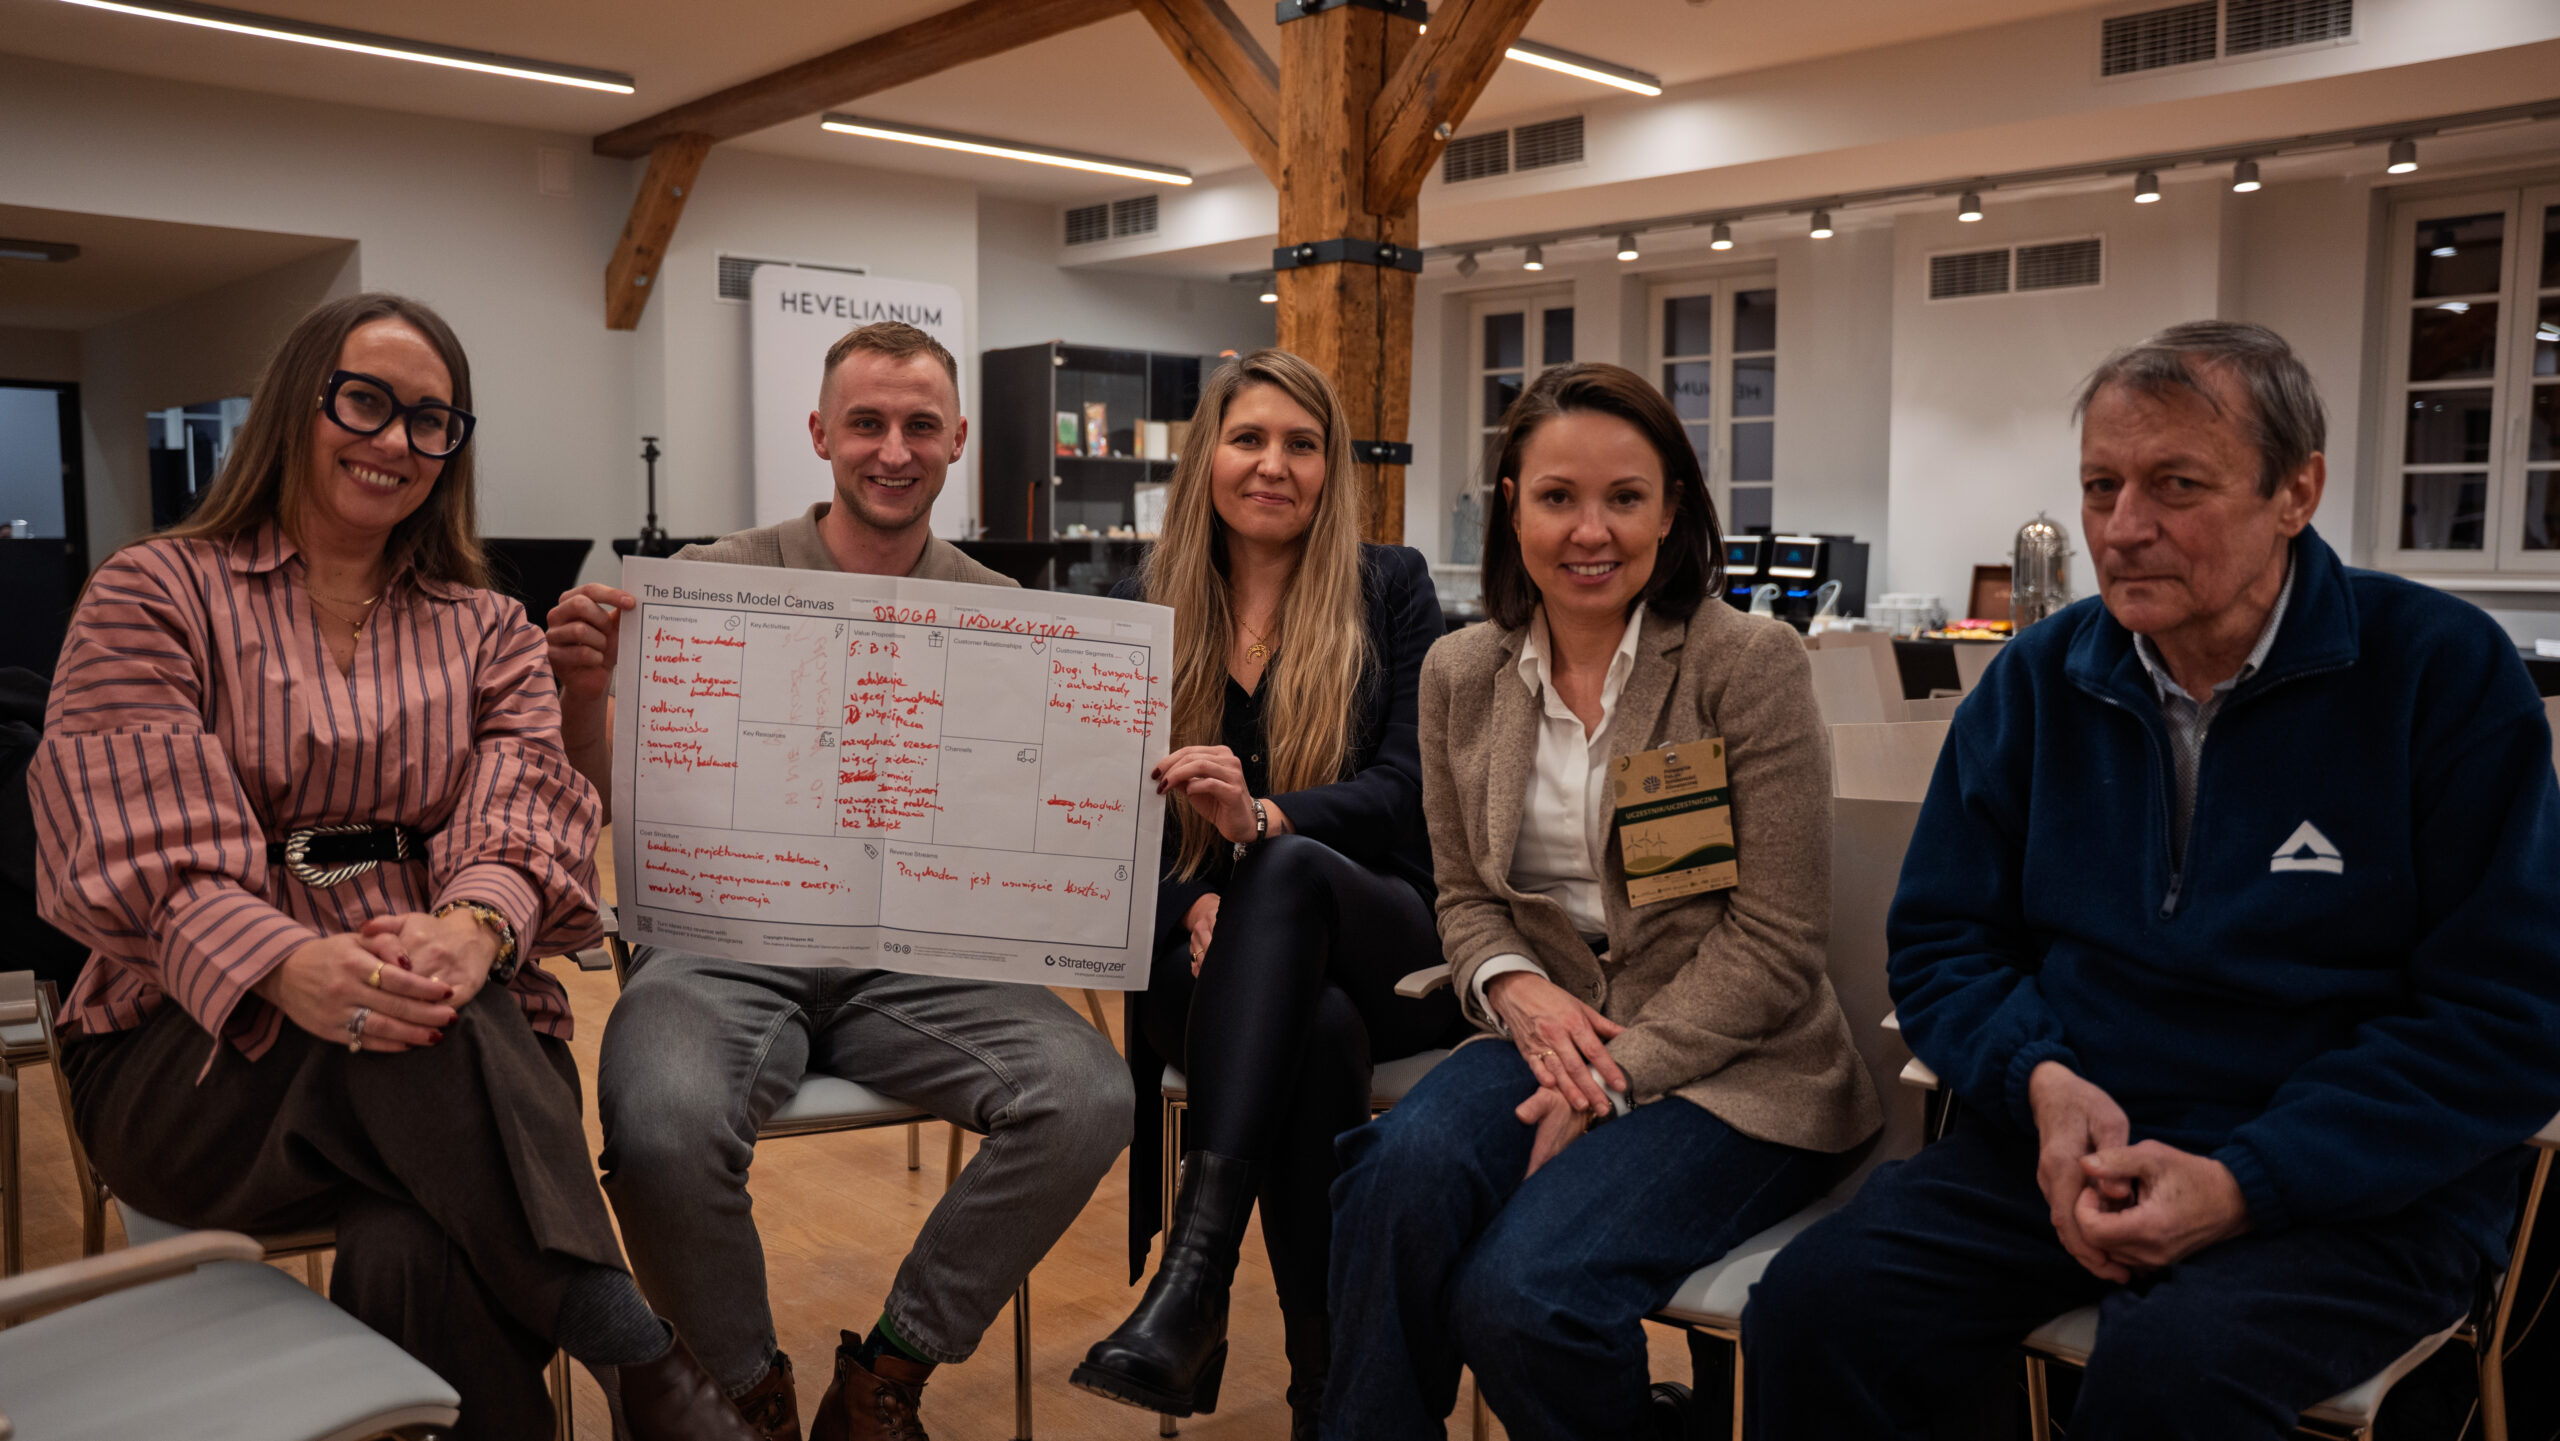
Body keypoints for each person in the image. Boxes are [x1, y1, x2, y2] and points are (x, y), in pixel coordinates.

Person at [1743, 321, 2560, 1439]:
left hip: (2355, 1177)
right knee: (1819, 1309)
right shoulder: (2038, 681)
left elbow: (2505, 1015)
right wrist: (2039, 1077)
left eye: (2177, 484)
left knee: (2171, 1381)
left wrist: (2248, 1179)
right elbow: (1941, 942)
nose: (2123, 528)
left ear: (2296, 491)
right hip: (2073, 1142)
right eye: (2100, 486)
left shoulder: (2439, 674)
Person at [31, 293, 753, 1441]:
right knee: (424, 1026)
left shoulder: (490, 628)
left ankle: (647, 1383)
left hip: (456, 1047)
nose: (395, 440)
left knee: (418, 1227)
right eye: (364, 402)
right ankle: (643, 1362)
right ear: (297, 403)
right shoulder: (152, 592)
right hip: (197, 1057)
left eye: (430, 420)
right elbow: (136, 840)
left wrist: (472, 928)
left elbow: (530, 805)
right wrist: (288, 964)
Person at [546, 321, 1131, 1441]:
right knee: (659, 1122)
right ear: (820, 434)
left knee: (1089, 1093)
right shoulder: (710, 583)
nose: (893, 450)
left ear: (958, 438)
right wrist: (582, 690)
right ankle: (743, 1401)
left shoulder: (1004, 613)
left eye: (919, 425)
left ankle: (884, 1382)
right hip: (721, 949)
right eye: (867, 423)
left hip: (918, 963)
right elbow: (599, 795)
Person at [1324, 361, 1882, 1440]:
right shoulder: (1459, 673)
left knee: (1524, 1297)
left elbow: (1776, 939)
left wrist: (1612, 1079)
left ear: (1671, 510)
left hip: (1741, 1069)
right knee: (1392, 1183)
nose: (1591, 531)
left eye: (1625, 497)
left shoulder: (1745, 663)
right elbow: (1463, 896)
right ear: (1511, 507)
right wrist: (1514, 988)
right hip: (1549, 1033)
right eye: (1557, 496)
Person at [1068, 350, 1462, 1432]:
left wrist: (1266, 824)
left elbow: (1404, 789)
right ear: (1208, 457)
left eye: (1302, 444)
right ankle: (1323, 1389)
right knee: (1314, 1030)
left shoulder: (1393, 587)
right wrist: (1195, 905)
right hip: (1206, 959)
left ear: (1332, 468)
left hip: (1385, 936)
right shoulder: (1139, 608)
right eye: (1248, 439)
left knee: (1284, 874)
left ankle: (1193, 1283)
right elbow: (1101, 826)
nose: (1273, 465)